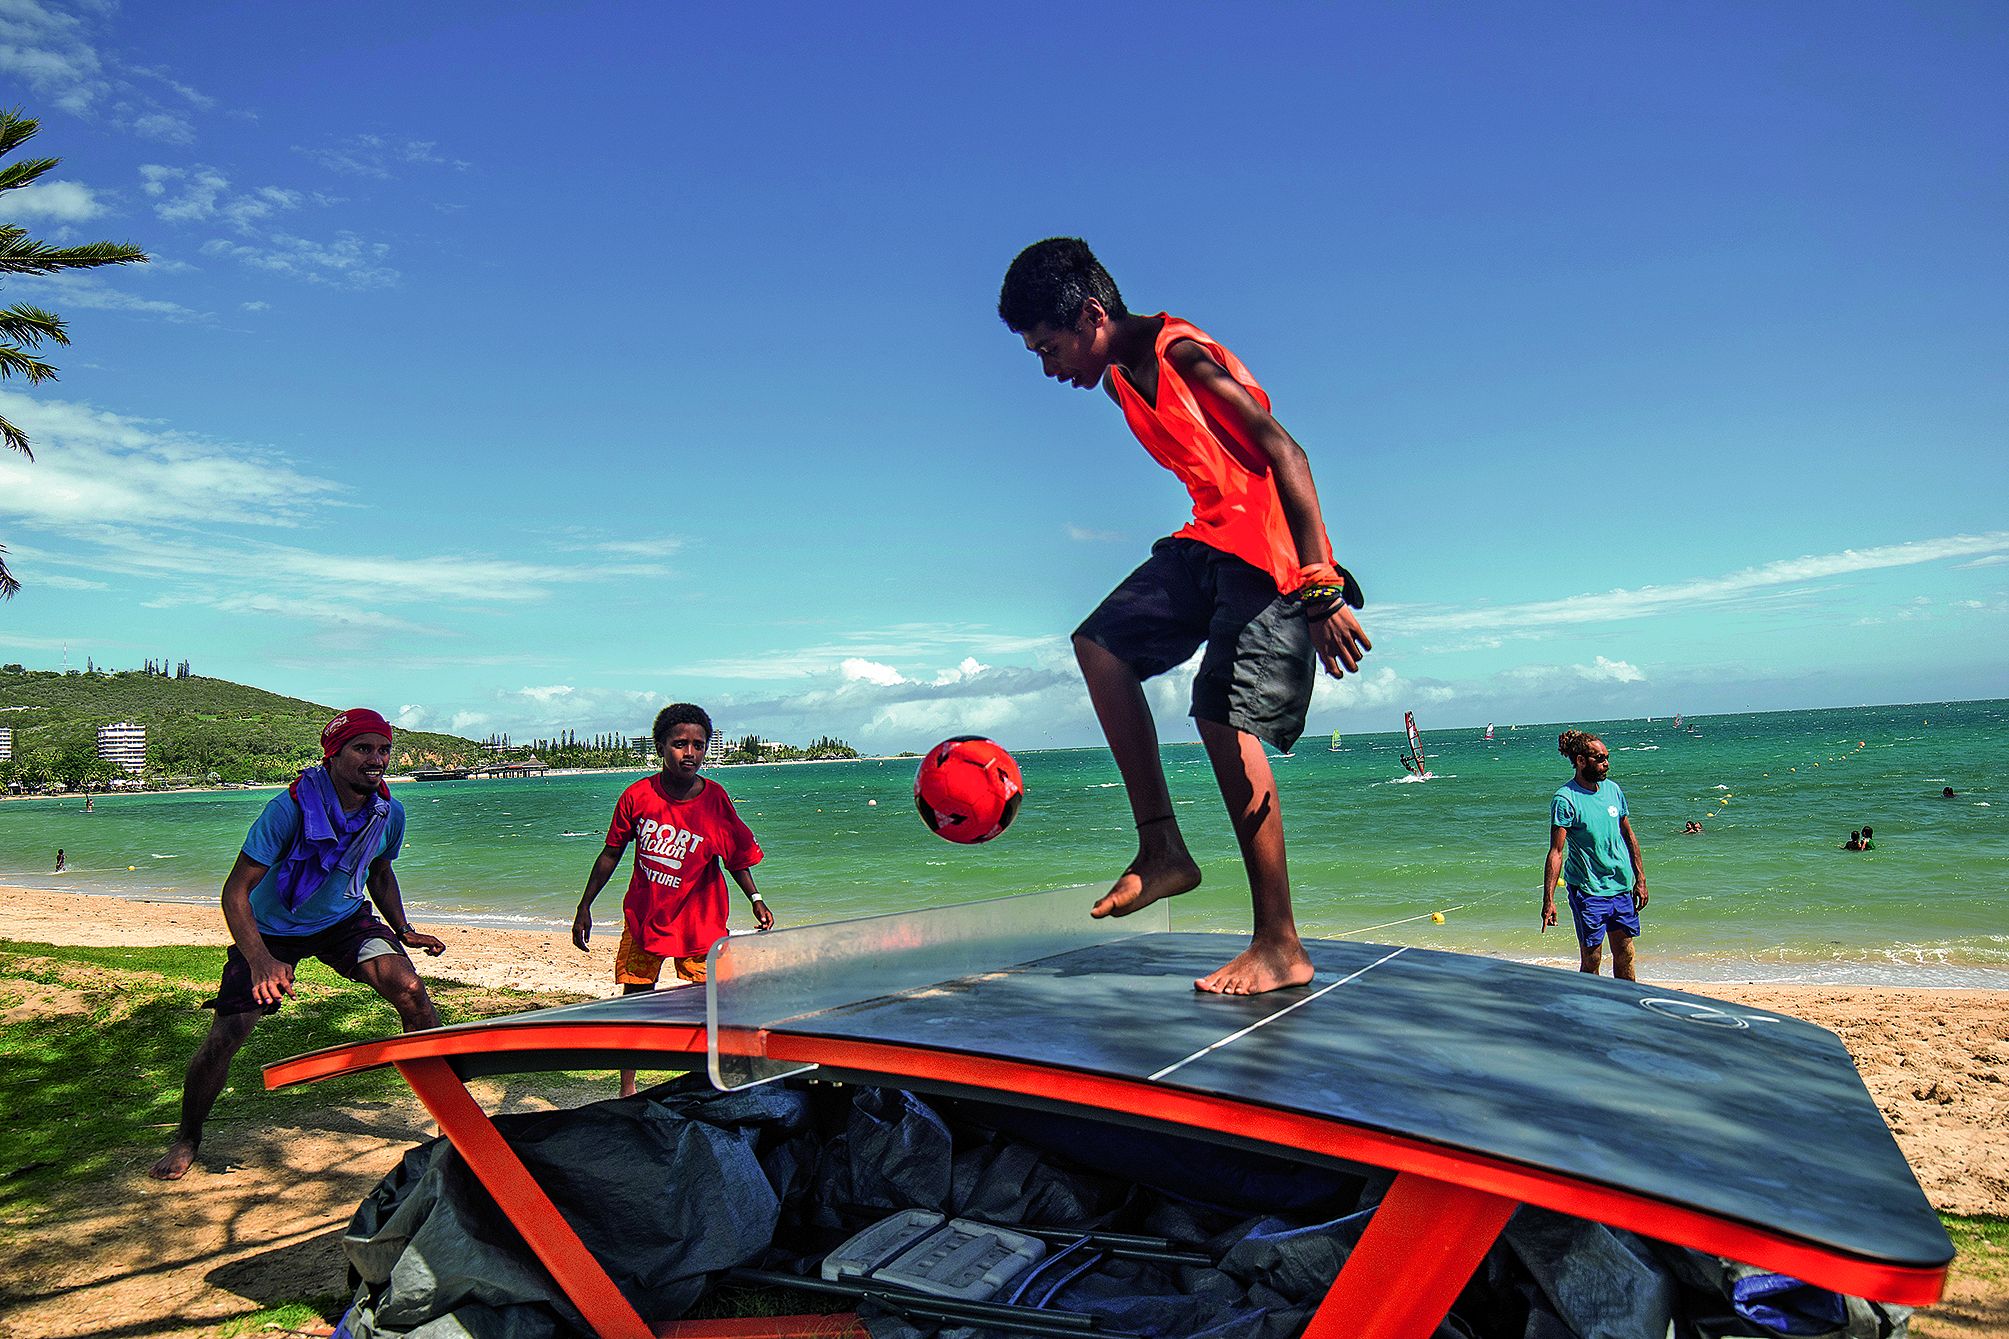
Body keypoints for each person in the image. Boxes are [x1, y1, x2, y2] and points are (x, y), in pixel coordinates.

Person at [998, 238, 1371, 996]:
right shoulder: (1118, 383)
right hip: (1209, 541)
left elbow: (1286, 455)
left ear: (1093, 315)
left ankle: (1280, 943)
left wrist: (1320, 585)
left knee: (1217, 713)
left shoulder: (1184, 357)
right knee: (1099, 645)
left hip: (1272, 557)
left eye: (1048, 346)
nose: (1046, 366)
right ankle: (1161, 846)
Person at [150, 709, 446, 1181]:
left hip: (343, 920)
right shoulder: (288, 809)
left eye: (384, 749)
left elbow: (379, 872)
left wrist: (403, 927)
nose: (377, 759)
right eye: (363, 749)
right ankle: (188, 1137)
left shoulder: (388, 812)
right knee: (229, 1034)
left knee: (410, 991)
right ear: (334, 754)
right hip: (271, 932)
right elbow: (235, 892)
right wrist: (261, 959)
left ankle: (449, 1124)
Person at [573, 703, 774, 1096]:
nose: (690, 753)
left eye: (699, 745)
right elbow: (611, 852)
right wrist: (585, 906)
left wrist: (756, 897)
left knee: (708, 1007)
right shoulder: (636, 796)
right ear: (661, 746)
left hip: (701, 924)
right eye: (679, 744)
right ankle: (627, 1088)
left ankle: (710, 1082)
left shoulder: (716, 800)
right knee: (634, 1006)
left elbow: (734, 855)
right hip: (645, 919)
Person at [1542, 732, 1648, 980]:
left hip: (1620, 887)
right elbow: (1556, 852)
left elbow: (1629, 836)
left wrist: (1640, 879)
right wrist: (1549, 900)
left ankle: (1627, 1006)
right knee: (1592, 959)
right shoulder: (1565, 799)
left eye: (1607, 758)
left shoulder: (1613, 790)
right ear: (1580, 760)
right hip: (1588, 890)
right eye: (1600, 758)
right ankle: (1590, 1010)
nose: (1606, 763)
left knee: (1625, 953)